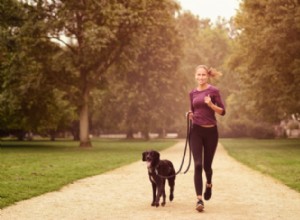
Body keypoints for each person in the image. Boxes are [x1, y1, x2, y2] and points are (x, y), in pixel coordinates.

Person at [188, 64, 226, 212]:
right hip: (196, 131)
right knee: (197, 165)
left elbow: (222, 111)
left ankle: (209, 183)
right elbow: (193, 110)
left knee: (206, 166)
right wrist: (189, 115)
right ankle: (199, 199)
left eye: (203, 75)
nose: (201, 77)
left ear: (207, 76)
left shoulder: (214, 91)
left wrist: (211, 105)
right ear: (195, 76)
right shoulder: (192, 93)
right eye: (198, 75)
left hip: (211, 132)